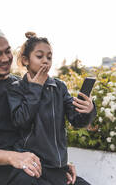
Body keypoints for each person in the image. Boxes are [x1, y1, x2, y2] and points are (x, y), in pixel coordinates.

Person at [0, 27, 78, 185]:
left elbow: (34, 130)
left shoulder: (20, 84)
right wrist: (13, 157)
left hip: (26, 164)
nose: (6, 58)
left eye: (7, 51)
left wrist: (56, 165)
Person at [7, 32, 96, 185]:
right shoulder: (16, 88)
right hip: (33, 169)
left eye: (49, 57)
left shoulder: (59, 87)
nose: (45, 61)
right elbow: (20, 121)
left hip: (58, 168)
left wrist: (88, 110)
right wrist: (35, 88)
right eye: (39, 56)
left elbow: (76, 121)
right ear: (25, 60)